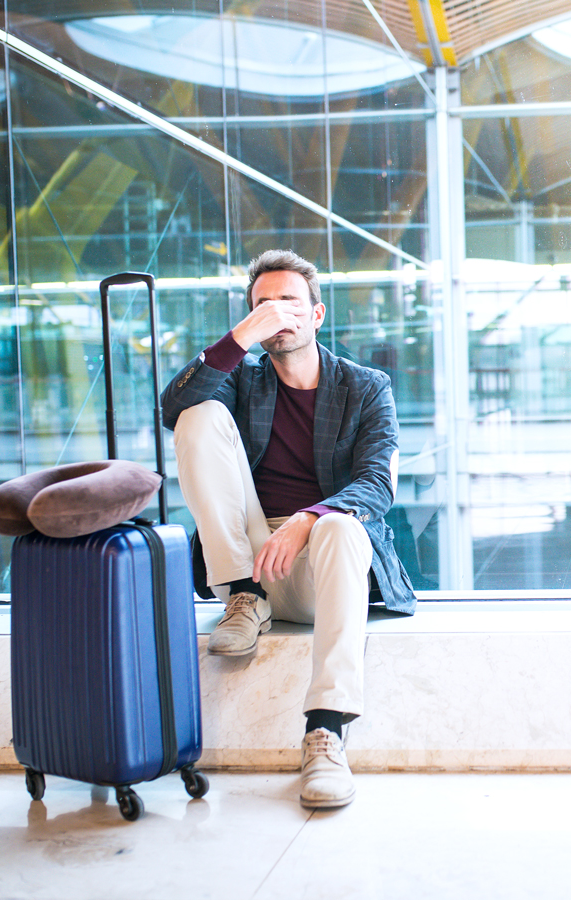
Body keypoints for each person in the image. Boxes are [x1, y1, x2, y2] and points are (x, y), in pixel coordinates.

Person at [160, 249, 415, 810]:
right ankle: (245, 599)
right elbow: (173, 406)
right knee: (196, 414)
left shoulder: (367, 388)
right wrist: (241, 336)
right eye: (263, 305)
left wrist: (307, 519)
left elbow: (378, 484)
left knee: (345, 528)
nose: (278, 313)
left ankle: (325, 733)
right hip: (248, 565)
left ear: (317, 315)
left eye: (289, 302)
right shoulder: (241, 381)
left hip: (324, 568)